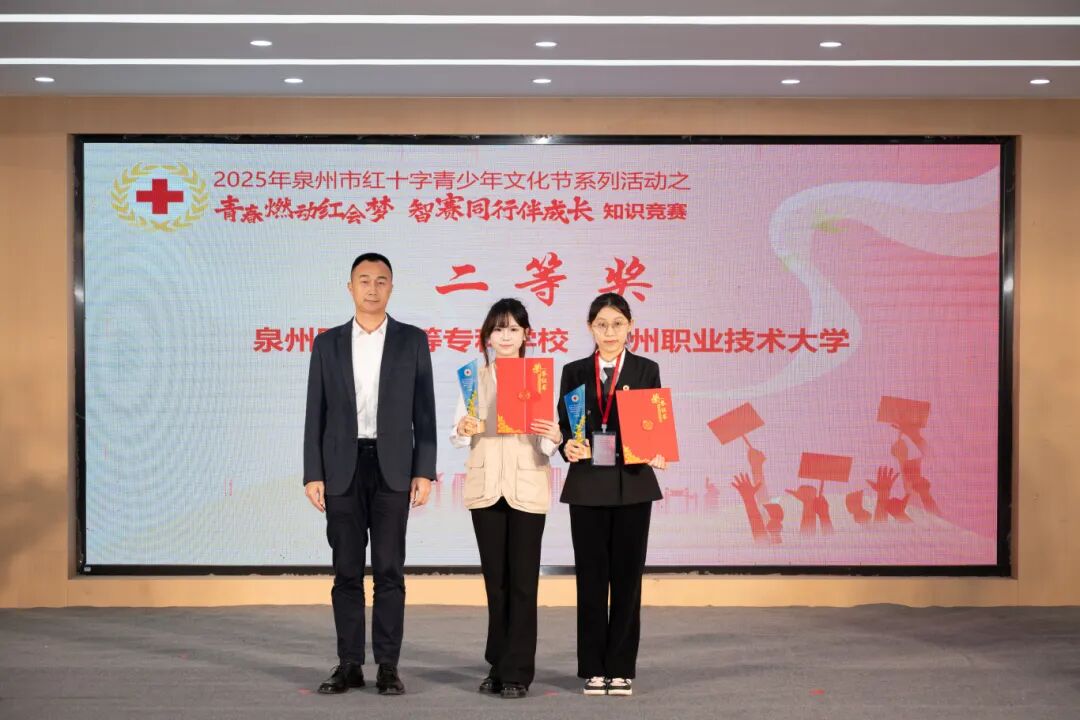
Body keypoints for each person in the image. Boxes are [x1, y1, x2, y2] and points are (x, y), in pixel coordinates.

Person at [303, 252, 436, 696]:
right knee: (346, 571)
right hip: (341, 467)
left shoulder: (412, 340)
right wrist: (312, 472)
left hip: (393, 467)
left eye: (381, 281)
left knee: (389, 570)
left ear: (391, 288)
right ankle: (349, 663)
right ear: (350, 287)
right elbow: (315, 412)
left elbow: (425, 411)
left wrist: (424, 470)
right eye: (364, 280)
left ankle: (388, 666)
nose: (372, 288)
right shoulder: (327, 343)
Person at [450, 298, 562, 700]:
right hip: (486, 490)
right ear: (487, 336)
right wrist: (463, 428)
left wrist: (554, 436)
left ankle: (518, 672)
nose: (506, 336)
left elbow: (548, 444)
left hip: (526, 488)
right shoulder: (473, 378)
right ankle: (497, 664)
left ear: (526, 335)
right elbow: (458, 435)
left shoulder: (539, 379)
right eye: (498, 329)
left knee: (523, 584)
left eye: (514, 329)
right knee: (495, 584)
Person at [557, 292, 667, 697]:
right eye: (601, 324)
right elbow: (565, 425)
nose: (609, 332)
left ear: (630, 326)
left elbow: (653, 423)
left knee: (627, 579)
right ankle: (593, 668)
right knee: (590, 579)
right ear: (590, 328)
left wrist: (658, 448)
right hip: (587, 484)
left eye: (617, 324)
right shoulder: (573, 371)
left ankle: (620, 668)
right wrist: (566, 445)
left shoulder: (645, 369)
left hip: (632, 484)